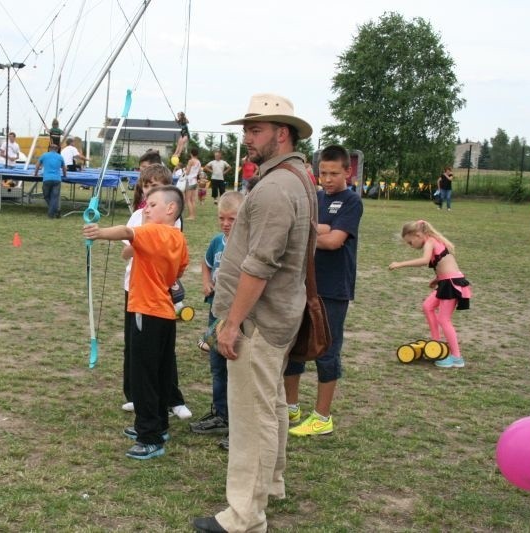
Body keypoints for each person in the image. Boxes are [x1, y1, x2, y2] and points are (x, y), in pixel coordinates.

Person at [192, 93, 315, 533]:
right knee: (273, 404)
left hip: (259, 321)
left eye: (256, 129)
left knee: (251, 416)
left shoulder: (277, 187)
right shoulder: (295, 178)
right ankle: (271, 485)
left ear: (282, 134)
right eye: (246, 129)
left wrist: (230, 322)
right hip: (279, 315)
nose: (247, 138)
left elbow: (259, 265)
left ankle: (244, 516)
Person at [83, 185, 189, 460]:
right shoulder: (177, 238)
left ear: (171, 209)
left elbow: (128, 233)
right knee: (160, 373)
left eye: (152, 205)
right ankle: (158, 425)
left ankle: (149, 436)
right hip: (164, 313)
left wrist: (99, 232)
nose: (146, 209)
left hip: (147, 311)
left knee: (142, 376)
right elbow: (178, 269)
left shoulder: (154, 231)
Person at [285, 145, 363, 438]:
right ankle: (290, 406)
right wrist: (321, 229)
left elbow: (334, 242)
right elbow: (321, 233)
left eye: (334, 173)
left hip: (334, 289)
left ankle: (322, 417)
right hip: (305, 284)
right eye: (323, 173)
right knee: (295, 345)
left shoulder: (352, 202)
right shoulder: (316, 198)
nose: (327, 179)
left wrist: (308, 231)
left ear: (348, 172)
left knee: (326, 351)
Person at [122, 156, 191, 420]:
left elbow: (146, 244)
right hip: (134, 288)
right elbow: (127, 251)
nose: (150, 190)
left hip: (158, 294)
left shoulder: (167, 217)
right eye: (147, 185)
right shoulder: (141, 214)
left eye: (157, 185)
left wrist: (103, 232)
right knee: (135, 347)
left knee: (160, 352)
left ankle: (170, 399)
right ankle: (138, 397)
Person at [190, 192, 243, 451]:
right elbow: (206, 263)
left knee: (238, 371)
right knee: (217, 366)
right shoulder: (216, 242)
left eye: (231, 218)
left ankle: (239, 426)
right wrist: (206, 281)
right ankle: (220, 413)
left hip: (237, 318)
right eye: (221, 218)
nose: (225, 223)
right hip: (216, 313)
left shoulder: (246, 245)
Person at [388, 219, 472, 368]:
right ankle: (436, 343)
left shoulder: (430, 242)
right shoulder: (434, 241)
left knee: (444, 319)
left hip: (452, 284)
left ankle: (457, 358)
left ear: (418, 235)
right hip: (445, 282)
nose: (410, 246)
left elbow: (424, 260)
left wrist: (400, 264)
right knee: (427, 306)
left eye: (410, 242)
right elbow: (447, 264)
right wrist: (437, 279)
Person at [34, 144, 66, 219]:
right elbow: (64, 168)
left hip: (47, 179)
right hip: (57, 179)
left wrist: (35, 174)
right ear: (57, 149)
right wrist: (65, 175)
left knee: (46, 196)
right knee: (54, 197)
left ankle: (51, 214)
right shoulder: (60, 157)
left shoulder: (44, 155)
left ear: (49, 149)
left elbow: (37, 165)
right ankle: (56, 210)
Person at [183, 147, 201, 220]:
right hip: (195, 181)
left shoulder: (191, 161)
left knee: (188, 199)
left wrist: (185, 170)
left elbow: (187, 172)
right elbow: (199, 172)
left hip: (189, 181)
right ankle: (193, 215)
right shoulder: (199, 162)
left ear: (191, 153)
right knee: (193, 199)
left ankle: (191, 216)